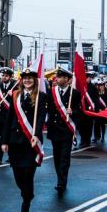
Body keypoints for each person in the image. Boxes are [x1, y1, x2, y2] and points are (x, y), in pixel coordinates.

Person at [1, 67, 47, 212]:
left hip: (30, 143)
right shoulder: (15, 96)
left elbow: (40, 118)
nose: (27, 80)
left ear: (34, 80)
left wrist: (36, 134)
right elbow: (9, 120)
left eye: (30, 78)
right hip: (15, 142)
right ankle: (28, 194)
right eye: (25, 78)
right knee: (18, 178)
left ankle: (24, 208)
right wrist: (4, 141)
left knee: (28, 175)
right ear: (21, 80)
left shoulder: (41, 97)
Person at [46, 68, 80, 196]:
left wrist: (73, 112)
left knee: (65, 157)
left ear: (67, 79)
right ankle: (59, 177)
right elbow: (48, 109)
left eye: (60, 77)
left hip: (66, 129)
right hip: (54, 129)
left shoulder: (74, 94)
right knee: (56, 156)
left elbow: (79, 112)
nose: (58, 79)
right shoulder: (51, 92)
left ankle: (62, 181)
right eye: (57, 77)